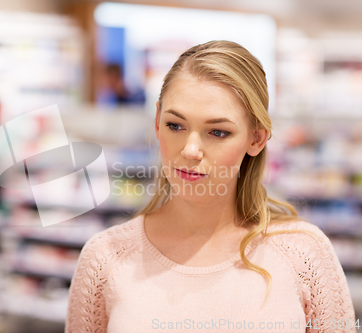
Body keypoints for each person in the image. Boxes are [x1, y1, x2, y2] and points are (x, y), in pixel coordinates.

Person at [65, 41, 357, 332]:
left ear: (256, 138)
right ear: (156, 121)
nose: (191, 150)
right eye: (175, 125)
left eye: (218, 132)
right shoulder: (104, 257)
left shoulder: (304, 255)